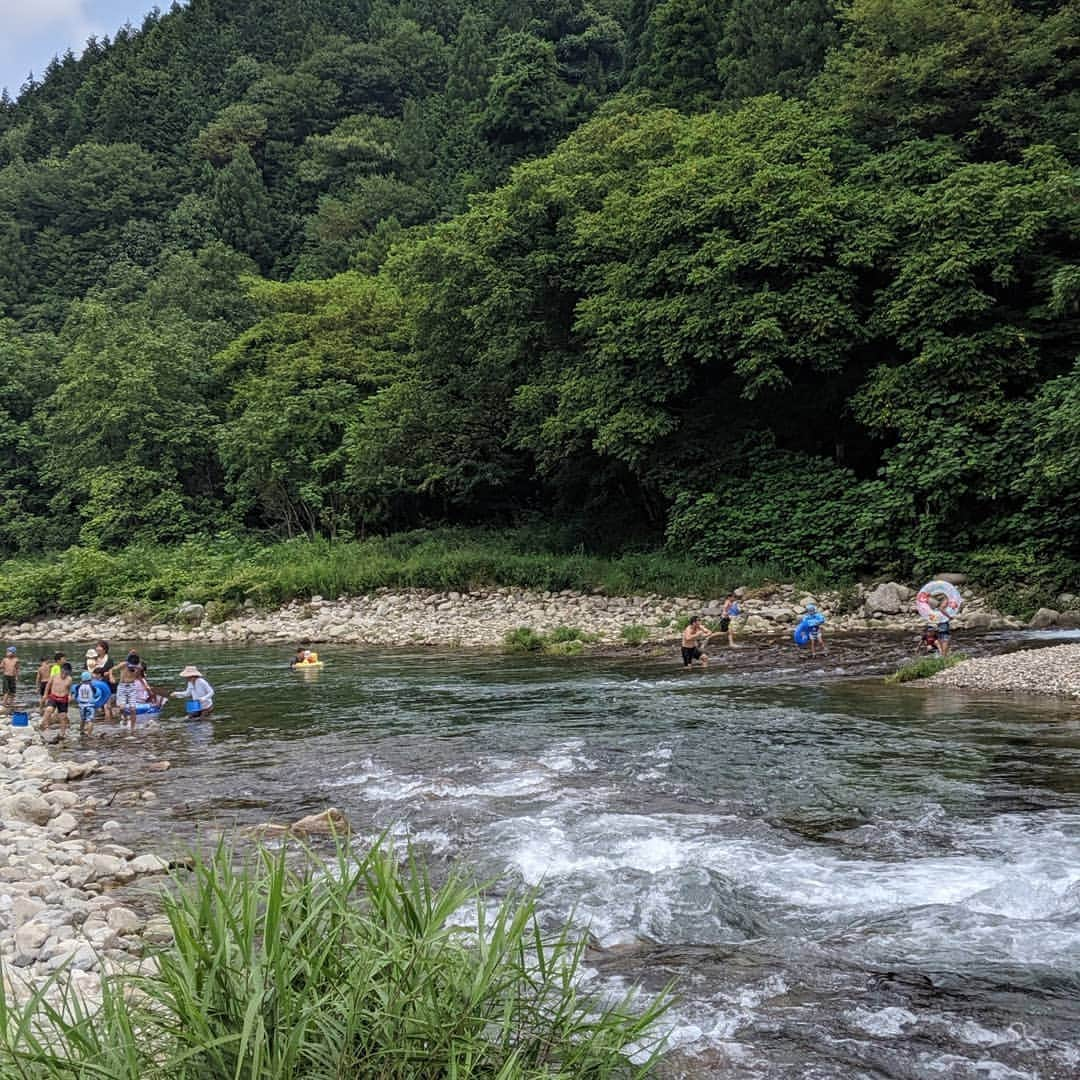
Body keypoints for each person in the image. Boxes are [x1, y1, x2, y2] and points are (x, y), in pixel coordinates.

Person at [114, 651, 145, 732]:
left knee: (133, 709)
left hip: (132, 686)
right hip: (122, 686)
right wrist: (111, 676)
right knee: (122, 708)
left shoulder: (138, 666)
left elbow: (138, 676)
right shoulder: (123, 664)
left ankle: (132, 728)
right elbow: (113, 669)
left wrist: (137, 670)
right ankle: (124, 718)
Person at [41, 662, 74, 737]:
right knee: (49, 710)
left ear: (69, 673)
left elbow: (69, 689)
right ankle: (45, 726)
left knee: (63, 717)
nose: (64, 675)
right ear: (61, 670)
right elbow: (48, 685)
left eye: (66, 673)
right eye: (63, 672)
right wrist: (45, 695)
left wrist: (69, 696)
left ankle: (62, 734)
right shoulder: (54, 676)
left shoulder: (69, 679)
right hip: (53, 697)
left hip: (63, 699)